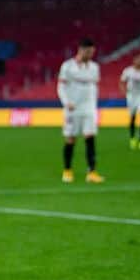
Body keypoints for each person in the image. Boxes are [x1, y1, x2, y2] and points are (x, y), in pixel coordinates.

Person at [58, 38, 104, 183]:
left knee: (90, 138)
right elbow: (60, 87)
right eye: (89, 52)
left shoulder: (94, 67)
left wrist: (94, 105)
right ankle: (67, 170)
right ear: (81, 50)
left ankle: (92, 172)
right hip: (73, 108)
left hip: (89, 109)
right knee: (71, 139)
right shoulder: (68, 66)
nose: (91, 55)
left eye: (92, 52)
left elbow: (94, 87)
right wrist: (66, 103)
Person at [120, 53, 140, 150]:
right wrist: (125, 93)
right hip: (132, 96)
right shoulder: (128, 71)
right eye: (139, 59)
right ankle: (132, 138)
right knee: (133, 117)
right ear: (134, 61)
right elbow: (121, 82)